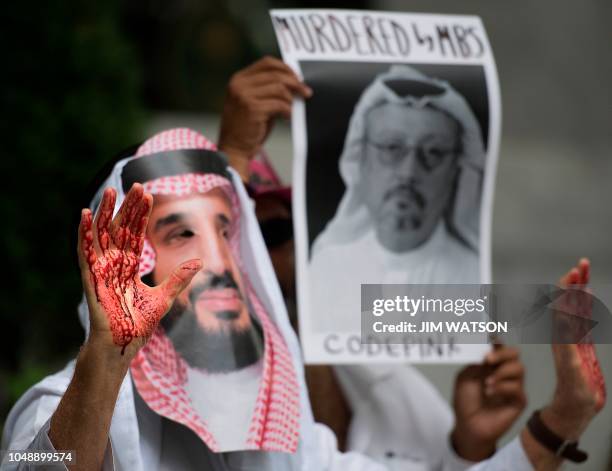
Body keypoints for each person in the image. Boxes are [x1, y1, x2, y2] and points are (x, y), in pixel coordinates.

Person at [0, 127, 606, 470]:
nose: (219, 261)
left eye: (227, 233)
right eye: (182, 232)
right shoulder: (60, 407)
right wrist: (106, 357)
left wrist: (563, 418)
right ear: (130, 259)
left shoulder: (278, 435)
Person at [218, 57, 523, 467]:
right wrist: (232, 154)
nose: (261, 256)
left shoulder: (391, 382)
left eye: (274, 233)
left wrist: (468, 448)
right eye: (236, 232)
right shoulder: (174, 383)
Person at [307, 64, 484, 334]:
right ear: (361, 161)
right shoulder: (326, 268)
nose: (408, 173)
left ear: (455, 170)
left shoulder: (471, 275)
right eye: (391, 148)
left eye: (434, 152)